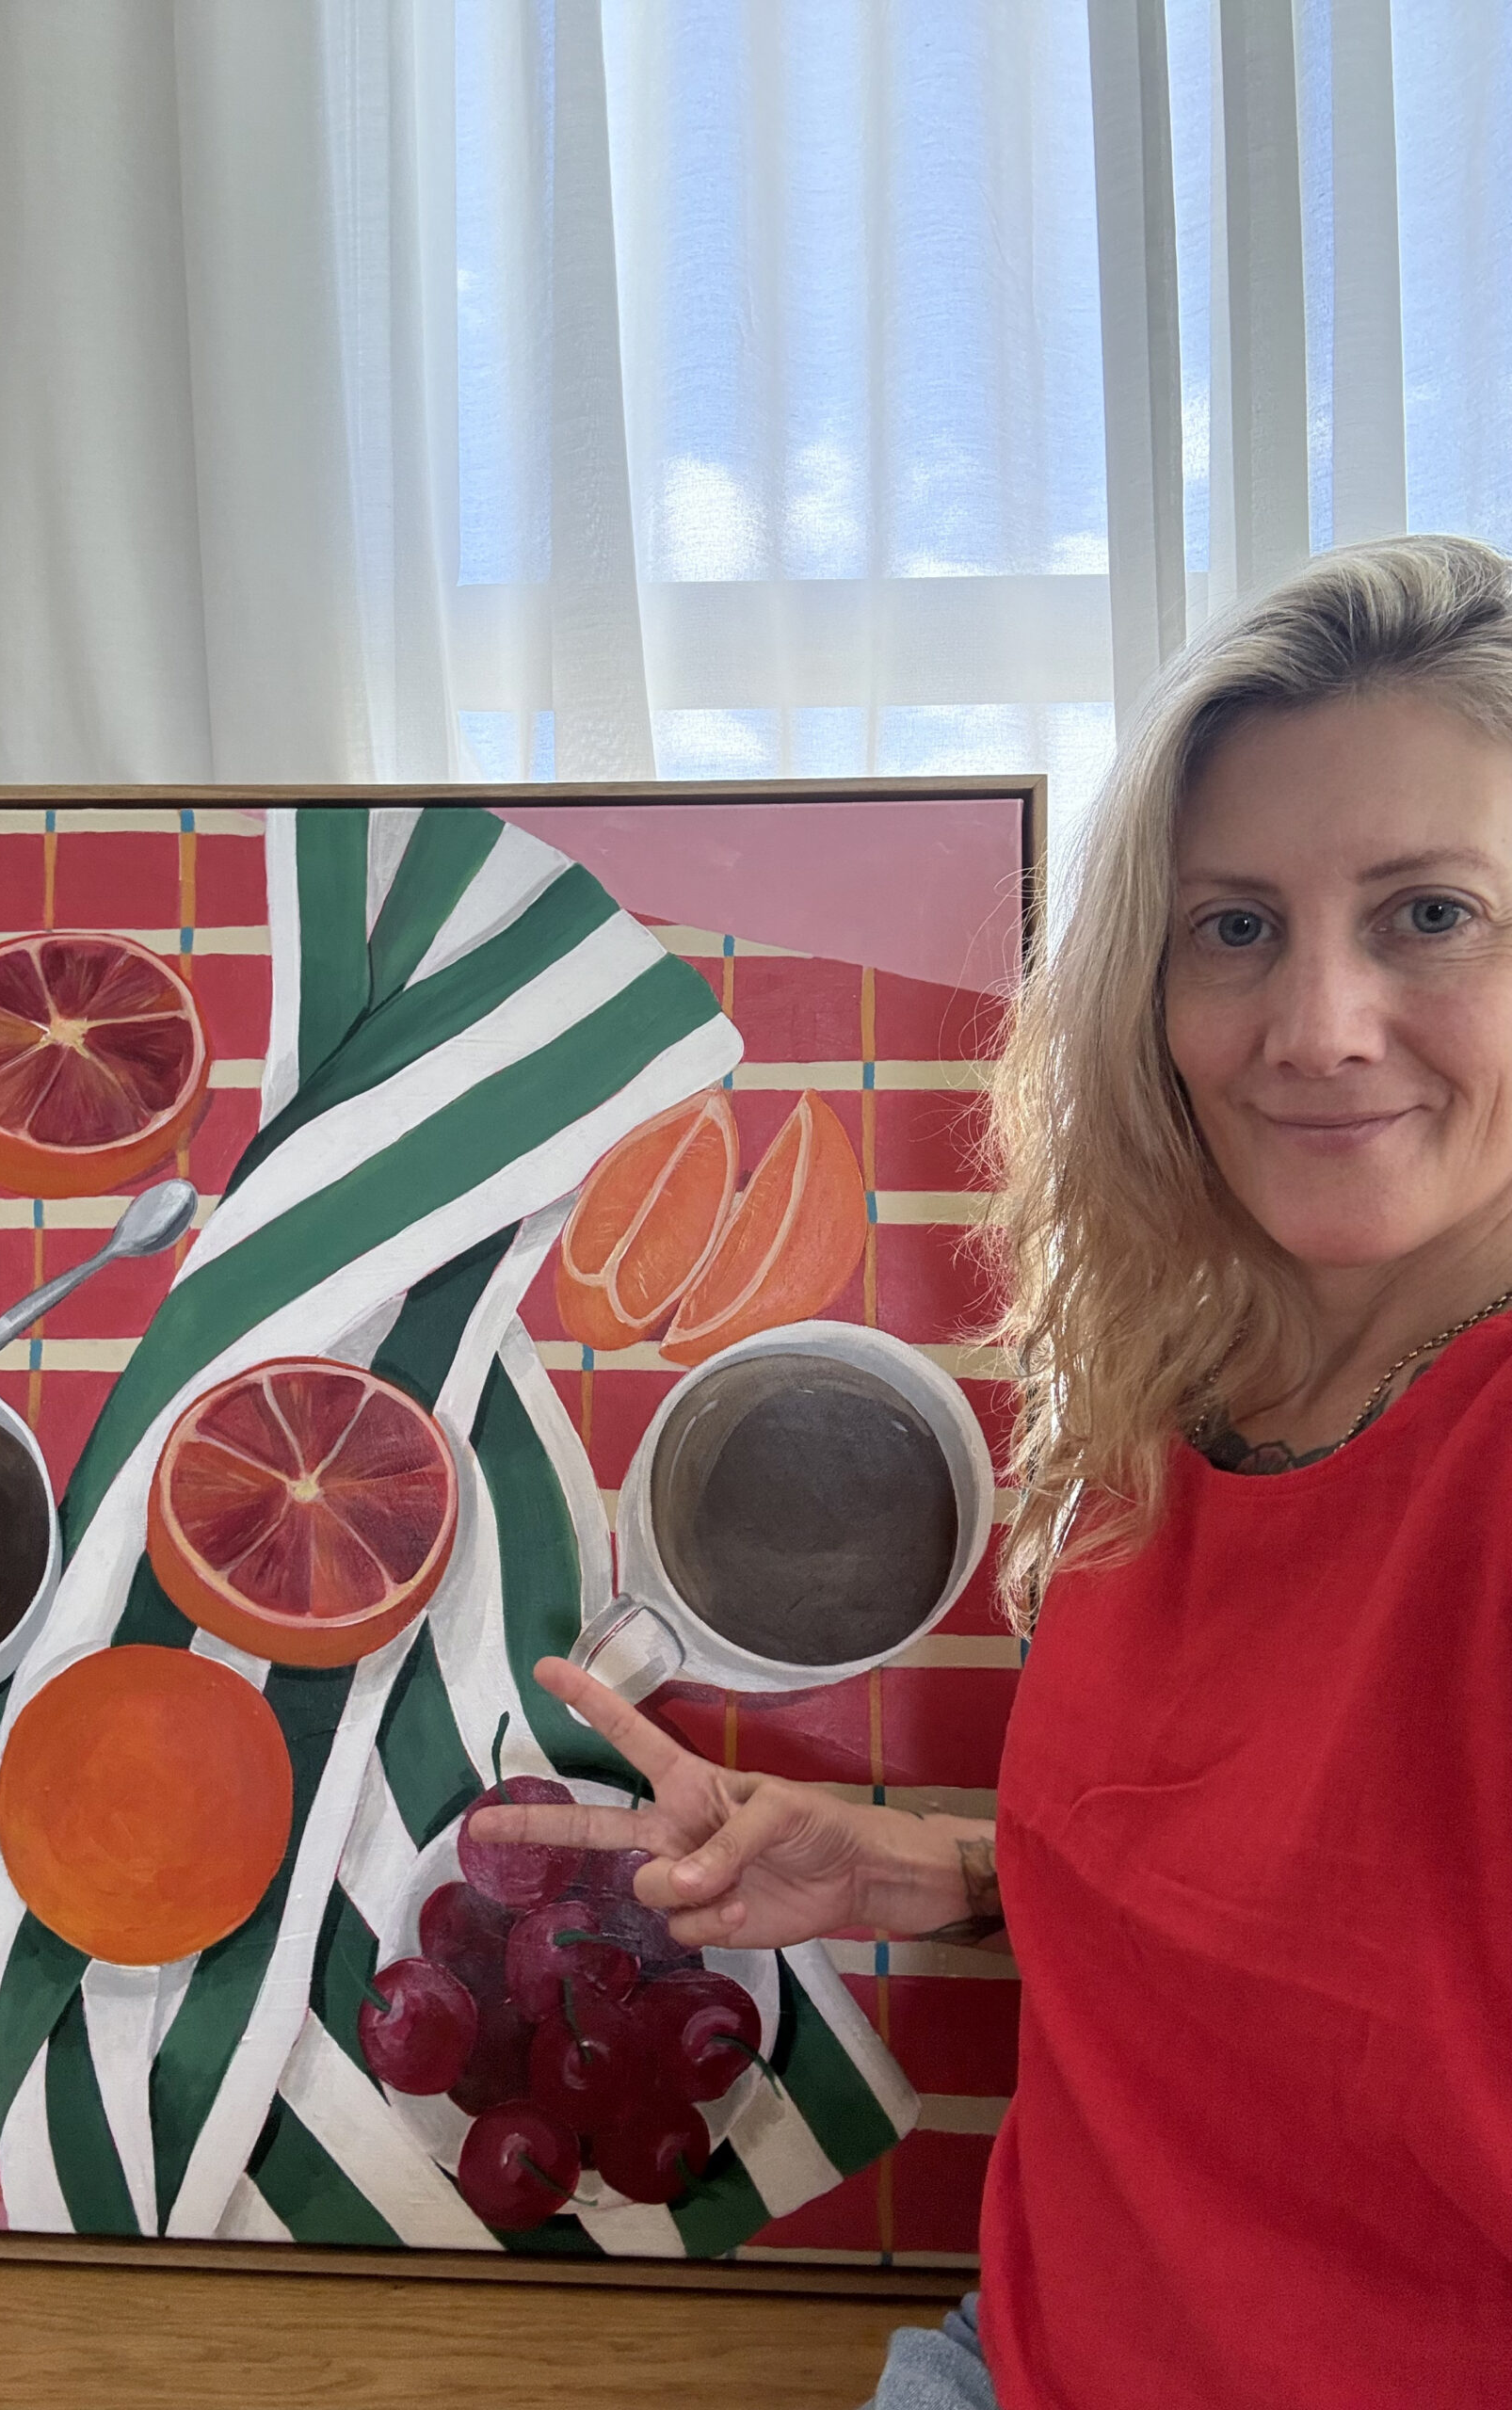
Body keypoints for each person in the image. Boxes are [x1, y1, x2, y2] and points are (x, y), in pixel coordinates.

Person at [472, 534, 1512, 2406]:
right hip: (1013, 2345)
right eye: (1235, 926)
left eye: (1430, 913)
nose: (1319, 1028)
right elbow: (1346, 1950)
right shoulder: (1169, 1390)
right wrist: (948, 1871)